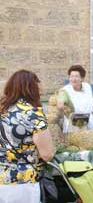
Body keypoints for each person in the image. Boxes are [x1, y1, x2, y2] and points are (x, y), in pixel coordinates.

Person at [0, 70, 55, 203]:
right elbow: (47, 154)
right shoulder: (33, 114)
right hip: (24, 183)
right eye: (38, 85)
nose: (40, 89)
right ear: (31, 88)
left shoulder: (2, 111)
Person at [57, 65, 93, 133]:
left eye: (76, 76)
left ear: (82, 78)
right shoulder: (65, 90)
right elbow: (60, 104)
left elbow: (91, 103)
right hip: (73, 125)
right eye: (71, 76)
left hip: (90, 124)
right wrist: (63, 107)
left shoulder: (87, 87)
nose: (73, 79)